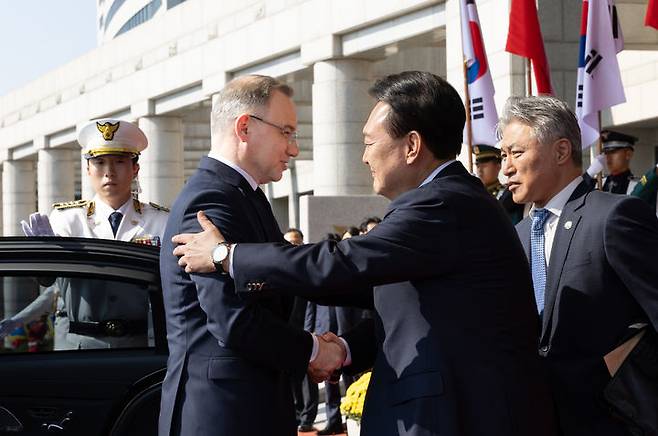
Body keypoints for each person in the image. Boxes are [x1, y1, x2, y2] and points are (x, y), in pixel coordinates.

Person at [172, 71, 557, 436]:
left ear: (411, 146)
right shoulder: (444, 202)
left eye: (370, 143)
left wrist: (228, 256)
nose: (364, 157)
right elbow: (403, 302)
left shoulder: (443, 204)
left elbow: (344, 264)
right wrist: (344, 348)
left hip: (461, 416)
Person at [157, 75, 345, 436]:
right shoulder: (211, 200)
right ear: (245, 127)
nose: (293, 149)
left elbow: (281, 276)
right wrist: (312, 350)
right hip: (223, 415)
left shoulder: (242, 195)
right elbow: (232, 319)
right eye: (286, 132)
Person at [498, 95, 658, 436]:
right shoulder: (518, 236)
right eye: (502, 155)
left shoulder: (613, 217)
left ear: (560, 151)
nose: (505, 168)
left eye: (516, 153)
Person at [0, 119, 168, 349]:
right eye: (99, 162)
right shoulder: (68, 218)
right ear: (88, 169)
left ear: (135, 168)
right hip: (78, 347)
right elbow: (50, 283)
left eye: (119, 162)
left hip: (141, 344)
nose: (109, 172)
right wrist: (46, 256)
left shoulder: (160, 220)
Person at [284, 228, 320, 434]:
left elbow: (313, 305)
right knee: (292, 380)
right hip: (288, 334)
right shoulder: (280, 269)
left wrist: (309, 332)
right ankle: (298, 414)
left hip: (308, 333)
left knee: (309, 380)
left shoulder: (307, 267)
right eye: (289, 242)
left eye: (296, 242)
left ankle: (308, 416)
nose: (293, 246)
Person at [474, 143, 525, 224]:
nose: (480, 170)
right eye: (478, 166)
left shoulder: (509, 194)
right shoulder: (474, 194)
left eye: (484, 165)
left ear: (498, 166)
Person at [584, 130, 639, 194]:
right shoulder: (600, 183)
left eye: (613, 152)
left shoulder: (636, 186)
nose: (608, 157)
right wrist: (589, 173)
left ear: (628, 154)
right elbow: (577, 194)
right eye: (606, 153)